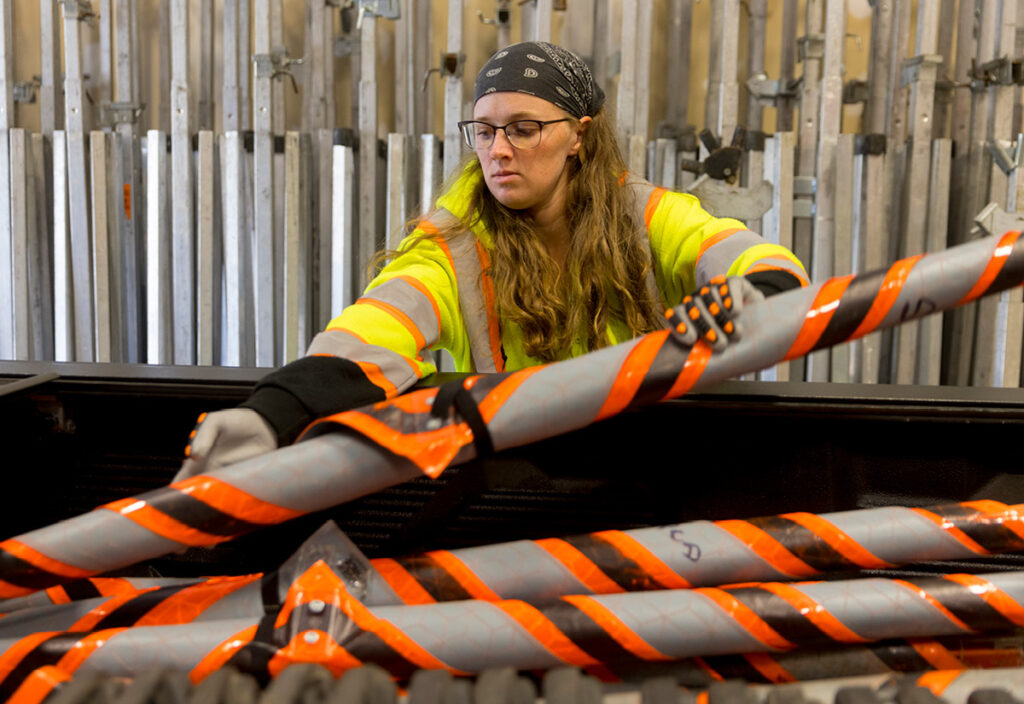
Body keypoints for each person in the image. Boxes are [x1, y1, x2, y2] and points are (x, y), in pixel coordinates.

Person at [178, 41, 807, 479]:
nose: (498, 150)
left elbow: (745, 254)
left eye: (523, 129)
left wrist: (757, 295)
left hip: (643, 466)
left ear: (579, 136)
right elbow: (377, 326)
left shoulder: (647, 216)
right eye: (484, 130)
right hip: (511, 477)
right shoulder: (453, 244)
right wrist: (275, 412)